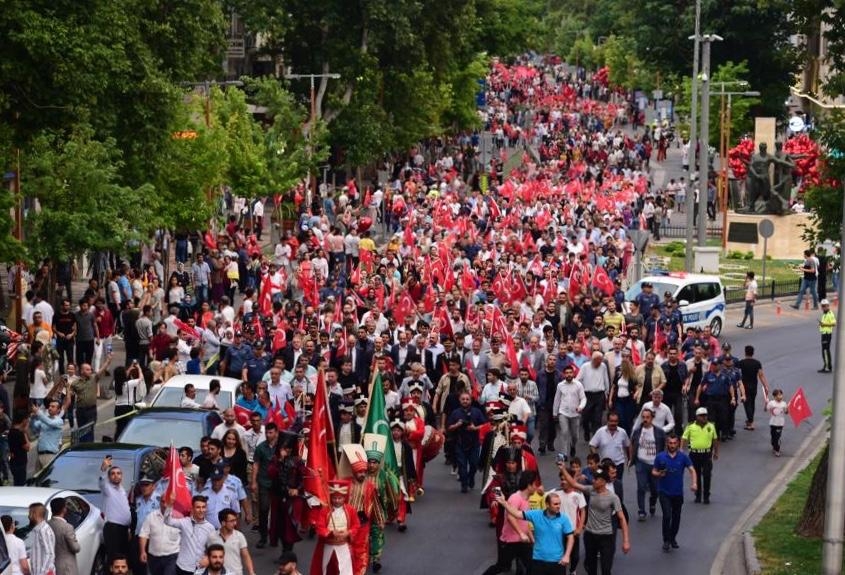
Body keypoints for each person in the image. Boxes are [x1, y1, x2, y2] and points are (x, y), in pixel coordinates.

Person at [496, 490, 575, 575]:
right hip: (538, 560)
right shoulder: (536, 515)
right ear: (547, 505)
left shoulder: (564, 519)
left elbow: (570, 537)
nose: (558, 506)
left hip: (557, 561)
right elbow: (516, 514)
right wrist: (504, 503)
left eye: (559, 504)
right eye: (555, 504)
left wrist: (567, 555)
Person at [651, 434, 697, 551]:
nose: (672, 445)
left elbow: (692, 469)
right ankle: (666, 540)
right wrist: (659, 474)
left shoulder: (683, 457)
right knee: (667, 515)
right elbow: (654, 471)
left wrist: (694, 483)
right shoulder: (660, 457)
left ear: (678, 444)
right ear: (667, 444)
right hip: (664, 492)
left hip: (677, 493)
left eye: (674, 443)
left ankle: (673, 538)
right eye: (670, 443)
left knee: (676, 517)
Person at [310, 479, 360, 575]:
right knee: (324, 569)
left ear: (344, 498)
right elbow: (319, 526)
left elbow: (356, 525)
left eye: (340, 498)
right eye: (334, 498)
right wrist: (331, 533)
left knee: (346, 570)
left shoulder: (351, 510)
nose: (337, 501)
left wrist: (348, 533)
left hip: (343, 545)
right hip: (328, 544)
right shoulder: (325, 510)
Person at [446, 392, 487, 493]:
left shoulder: (477, 412)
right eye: (463, 399)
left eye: (467, 399)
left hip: (474, 443)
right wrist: (457, 424)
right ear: (460, 400)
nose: (465, 401)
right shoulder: (455, 413)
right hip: (460, 442)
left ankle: (471, 477)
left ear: (471, 400)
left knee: (474, 464)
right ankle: (464, 484)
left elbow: (485, 425)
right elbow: (449, 427)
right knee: (462, 465)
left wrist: (475, 428)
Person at [165, 495, 216, 575]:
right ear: (192, 509)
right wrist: (170, 505)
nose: (201, 510)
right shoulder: (184, 522)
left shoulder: (210, 528)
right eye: (198, 507)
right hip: (183, 567)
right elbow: (167, 521)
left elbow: (213, 548)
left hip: (200, 569)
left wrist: (208, 558)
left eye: (203, 507)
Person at [630, 407, 665, 521]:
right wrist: (631, 459)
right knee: (641, 487)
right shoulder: (637, 432)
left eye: (647, 417)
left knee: (655, 489)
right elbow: (632, 444)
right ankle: (641, 511)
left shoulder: (659, 432)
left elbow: (663, 447)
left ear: (652, 418)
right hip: (641, 462)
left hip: (654, 464)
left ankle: (652, 502)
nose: (645, 419)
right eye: (643, 417)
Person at [681, 407, 719, 504]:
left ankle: (706, 496)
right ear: (697, 416)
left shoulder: (711, 426)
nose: (704, 418)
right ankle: (698, 495)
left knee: (707, 475)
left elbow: (715, 439)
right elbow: (684, 438)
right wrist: (681, 449)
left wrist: (716, 452)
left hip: (706, 454)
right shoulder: (690, 426)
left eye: (705, 415)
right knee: (696, 475)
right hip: (694, 454)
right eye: (702, 416)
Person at [99, 456, 132, 563]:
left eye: (118, 473)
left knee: (122, 558)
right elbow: (102, 481)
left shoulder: (122, 489)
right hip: (113, 528)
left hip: (123, 529)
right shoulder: (107, 488)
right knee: (114, 559)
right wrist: (104, 469)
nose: (116, 476)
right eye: (113, 473)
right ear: (109, 477)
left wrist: (128, 528)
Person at [138, 498, 181, 575]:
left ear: (172, 502)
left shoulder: (179, 517)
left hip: (172, 557)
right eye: (162, 501)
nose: (164, 505)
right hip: (154, 557)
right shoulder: (151, 516)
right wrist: (142, 551)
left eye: (167, 502)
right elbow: (144, 534)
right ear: (159, 502)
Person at [207, 508, 255, 575]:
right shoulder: (212, 537)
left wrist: (251, 572)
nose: (235, 523)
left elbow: (246, 556)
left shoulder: (239, 536)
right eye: (232, 521)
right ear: (223, 523)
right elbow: (208, 555)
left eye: (235, 520)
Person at [552, 365, 585, 458]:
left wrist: (580, 407)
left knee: (575, 436)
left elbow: (583, 398)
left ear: (573, 373)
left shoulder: (578, 385)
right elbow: (557, 399)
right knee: (564, 432)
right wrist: (555, 413)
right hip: (563, 413)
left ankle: (573, 446)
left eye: (570, 373)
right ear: (564, 374)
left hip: (575, 413)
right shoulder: (560, 385)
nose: (569, 375)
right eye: (567, 373)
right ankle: (564, 454)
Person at [737, 345, 769, 431]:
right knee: (752, 403)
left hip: (744, 386)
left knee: (746, 403)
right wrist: (765, 385)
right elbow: (761, 375)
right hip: (754, 385)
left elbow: (737, 373)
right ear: (753, 353)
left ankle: (750, 422)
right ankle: (750, 420)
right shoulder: (757, 363)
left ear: (745, 352)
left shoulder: (741, 363)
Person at [48, 497, 81, 575]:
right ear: (64, 509)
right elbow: (75, 547)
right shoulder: (67, 527)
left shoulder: (47, 525)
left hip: (51, 565)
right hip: (66, 568)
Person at [28, 503, 54, 575]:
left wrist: (42, 572)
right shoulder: (38, 530)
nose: (28, 516)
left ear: (35, 514)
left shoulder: (44, 530)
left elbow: (50, 554)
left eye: (30, 513)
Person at [766, 389, 789, 457]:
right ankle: (774, 445)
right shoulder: (771, 403)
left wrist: (786, 409)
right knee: (773, 437)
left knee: (777, 437)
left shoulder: (784, 404)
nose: (780, 396)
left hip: (780, 424)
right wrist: (766, 403)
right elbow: (765, 409)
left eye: (781, 394)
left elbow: (786, 412)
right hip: (773, 423)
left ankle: (777, 450)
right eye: (778, 395)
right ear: (775, 396)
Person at [819, 298, 836, 373]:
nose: (823, 307)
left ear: (828, 306)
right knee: (824, 351)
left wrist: (824, 324)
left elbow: (834, 323)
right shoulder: (824, 314)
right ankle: (826, 365)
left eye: (825, 306)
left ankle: (828, 367)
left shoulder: (830, 314)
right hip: (824, 333)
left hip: (827, 334)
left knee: (826, 351)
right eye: (822, 306)